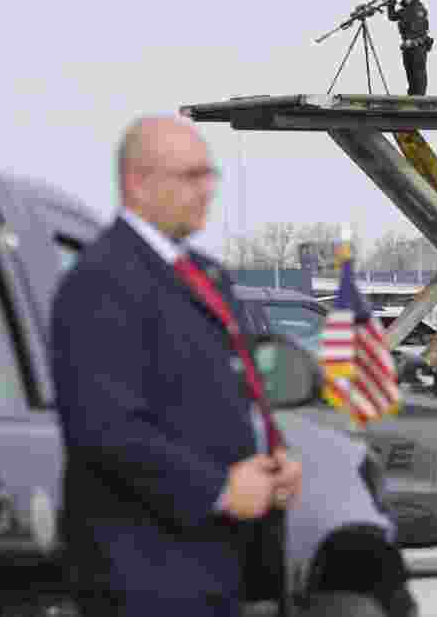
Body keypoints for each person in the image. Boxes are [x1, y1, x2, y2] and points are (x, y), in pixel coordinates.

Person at [51, 115, 303, 616]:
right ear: (138, 184)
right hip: (145, 571)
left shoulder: (204, 275)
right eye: (191, 176)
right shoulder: (103, 281)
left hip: (218, 564)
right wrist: (219, 489)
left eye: (210, 175)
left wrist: (277, 454)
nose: (207, 189)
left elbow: (237, 389)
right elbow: (106, 428)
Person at [386, 0, 432, 96]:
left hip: (418, 46)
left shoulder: (419, 10)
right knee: (410, 72)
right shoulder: (405, 10)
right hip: (407, 47)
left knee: (418, 73)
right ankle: (412, 95)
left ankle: (419, 96)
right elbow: (392, 17)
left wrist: (411, 40)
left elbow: (419, 27)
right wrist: (390, 4)